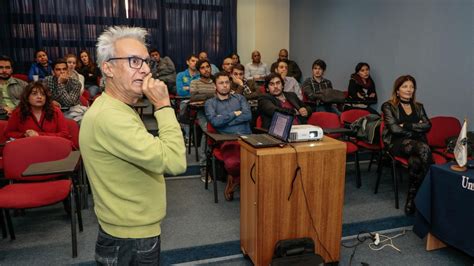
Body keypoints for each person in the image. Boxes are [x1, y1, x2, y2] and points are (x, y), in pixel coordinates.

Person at [79, 26, 186, 265]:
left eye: (146, 62)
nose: (146, 69)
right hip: (130, 238)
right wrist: (163, 106)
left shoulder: (116, 108)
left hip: (127, 229)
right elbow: (175, 161)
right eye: (134, 61)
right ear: (108, 68)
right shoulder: (111, 117)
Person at [381, 75, 432, 215]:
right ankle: (432, 191)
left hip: (417, 144)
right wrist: (417, 128)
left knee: (416, 162)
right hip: (396, 143)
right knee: (423, 148)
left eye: (411, 86)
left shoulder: (419, 107)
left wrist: (407, 125)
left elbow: (428, 126)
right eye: (405, 86)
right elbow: (394, 129)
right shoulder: (388, 106)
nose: (409, 90)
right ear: (397, 90)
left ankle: (412, 199)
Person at [205, 72, 252, 200]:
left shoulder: (239, 98)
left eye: (227, 82)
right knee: (234, 163)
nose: (225, 85)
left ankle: (234, 181)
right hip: (227, 140)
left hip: (247, 138)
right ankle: (237, 181)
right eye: (221, 83)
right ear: (215, 85)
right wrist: (235, 114)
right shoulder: (210, 103)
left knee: (260, 161)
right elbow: (215, 122)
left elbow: (248, 116)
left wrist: (225, 119)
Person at [4, 81, 71, 141]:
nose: (39, 97)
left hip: (52, 146)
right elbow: (8, 133)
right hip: (28, 148)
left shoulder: (55, 111)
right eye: (34, 94)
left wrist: (39, 135)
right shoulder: (18, 112)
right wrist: (24, 135)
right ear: (27, 97)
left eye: (43, 94)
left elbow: (65, 134)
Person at [190, 59, 216, 178]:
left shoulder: (216, 81)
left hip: (217, 112)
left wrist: (205, 96)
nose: (206, 69)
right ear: (199, 70)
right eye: (203, 67)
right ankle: (204, 166)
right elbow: (194, 97)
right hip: (202, 113)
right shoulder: (195, 82)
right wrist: (212, 94)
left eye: (208, 66)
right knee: (208, 131)